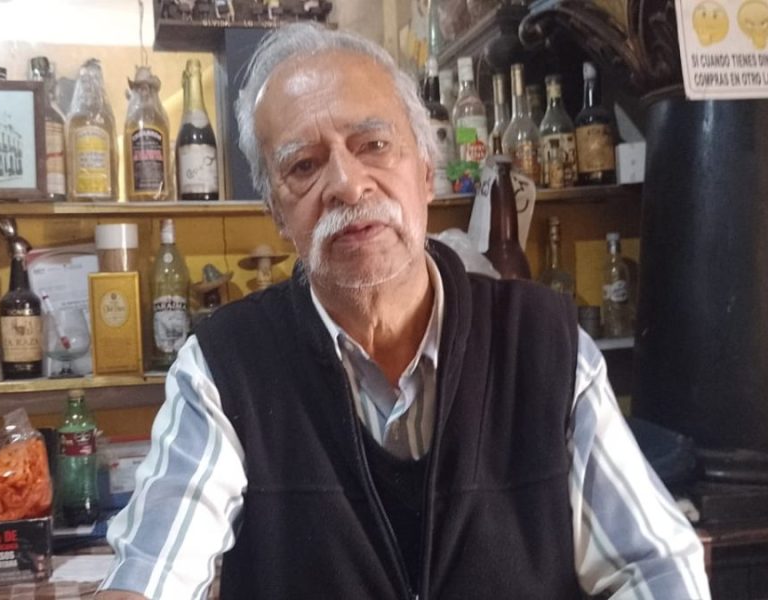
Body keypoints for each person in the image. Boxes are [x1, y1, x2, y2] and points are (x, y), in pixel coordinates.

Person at [97, 22, 710, 600]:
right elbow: (156, 567)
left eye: (373, 145)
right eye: (304, 165)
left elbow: (656, 565)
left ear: (425, 172)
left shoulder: (542, 344)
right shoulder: (226, 368)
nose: (347, 183)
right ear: (278, 214)